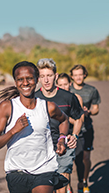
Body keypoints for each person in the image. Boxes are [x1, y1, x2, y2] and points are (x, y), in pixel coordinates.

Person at [0, 61, 75, 193]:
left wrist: (62, 139)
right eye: (20, 79)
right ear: (15, 82)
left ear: (37, 80)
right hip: (16, 171)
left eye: (29, 78)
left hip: (44, 169)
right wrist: (13, 130)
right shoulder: (7, 107)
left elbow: (64, 120)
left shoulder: (48, 107)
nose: (25, 83)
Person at [35, 59, 84, 193]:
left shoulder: (68, 97)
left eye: (49, 76)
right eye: (43, 76)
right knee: (46, 186)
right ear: (38, 78)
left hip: (64, 145)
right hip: (42, 148)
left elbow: (79, 118)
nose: (46, 80)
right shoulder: (34, 98)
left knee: (62, 184)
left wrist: (74, 135)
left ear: (55, 76)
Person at [70, 65, 101, 193]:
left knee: (85, 158)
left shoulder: (92, 90)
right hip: (70, 130)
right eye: (75, 75)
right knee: (71, 160)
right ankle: (67, 186)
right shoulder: (67, 90)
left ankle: (84, 181)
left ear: (84, 75)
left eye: (80, 74)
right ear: (72, 76)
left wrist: (89, 112)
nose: (78, 77)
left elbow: (96, 108)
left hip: (87, 128)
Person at [56, 72, 85, 193]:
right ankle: (68, 187)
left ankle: (81, 183)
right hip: (57, 137)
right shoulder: (55, 98)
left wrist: (64, 118)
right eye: (60, 84)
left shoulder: (75, 97)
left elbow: (80, 118)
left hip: (73, 135)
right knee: (61, 169)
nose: (63, 87)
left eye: (65, 84)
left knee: (75, 163)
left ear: (70, 84)